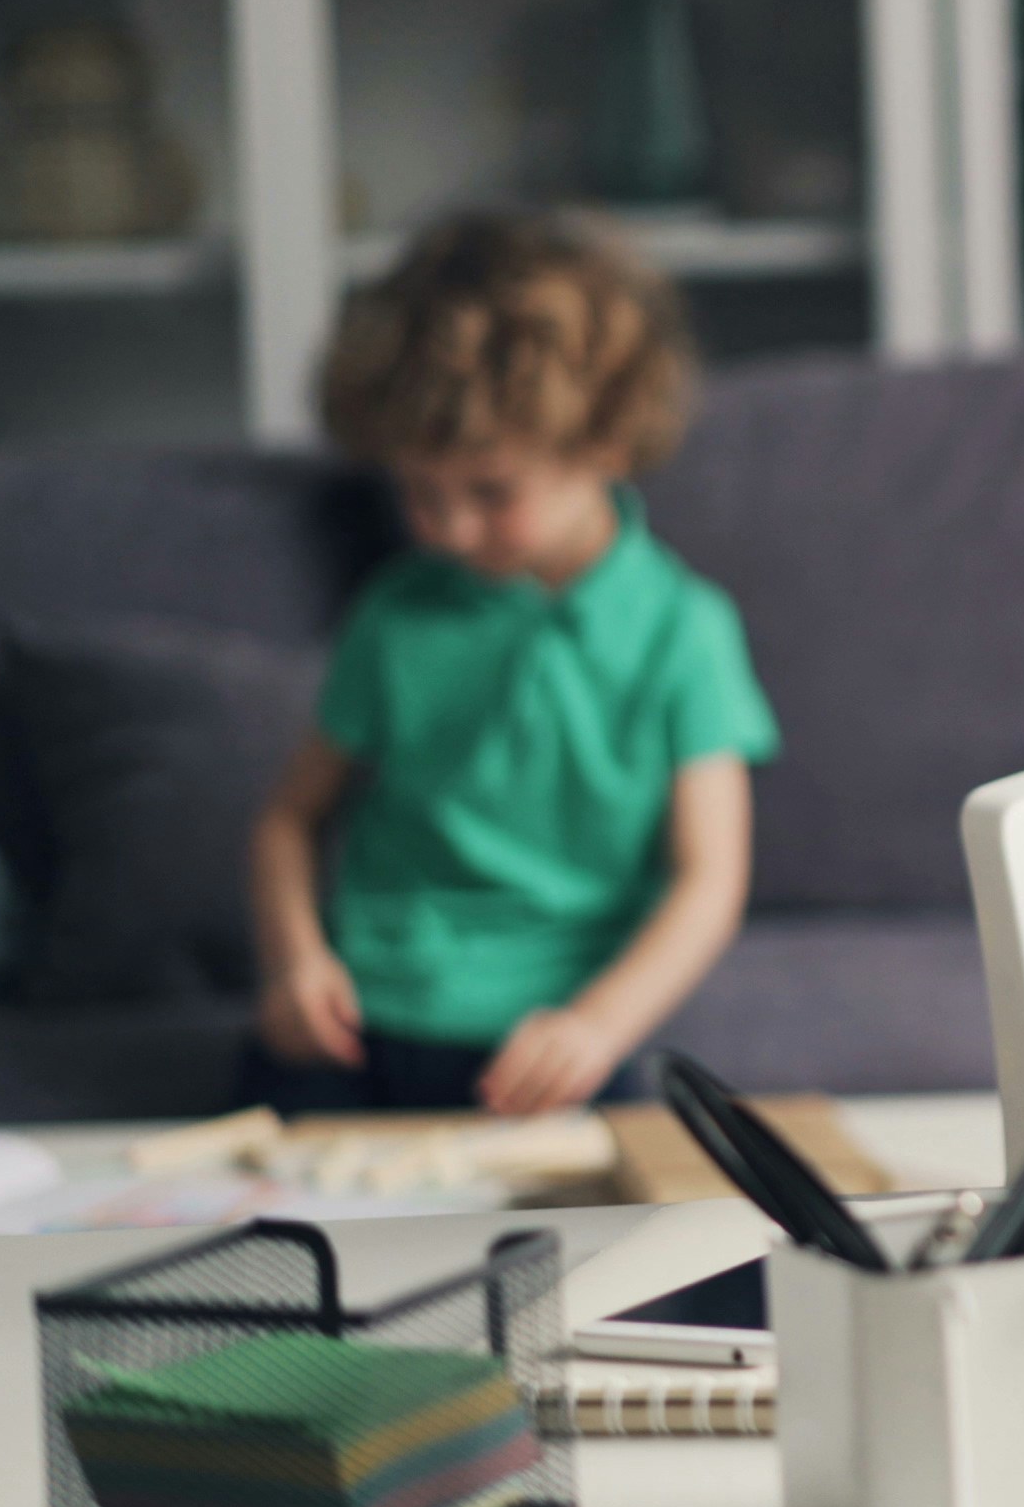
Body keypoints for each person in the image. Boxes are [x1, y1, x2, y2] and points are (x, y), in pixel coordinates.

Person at [243, 211, 779, 1116]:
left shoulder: (684, 630)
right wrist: (297, 964)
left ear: (606, 443)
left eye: (491, 493)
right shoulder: (393, 613)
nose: (447, 529)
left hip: (549, 1049)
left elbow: (710, 878)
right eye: (419, 490)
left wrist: (599, 1025)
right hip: (353, 1033)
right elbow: (287, 823)